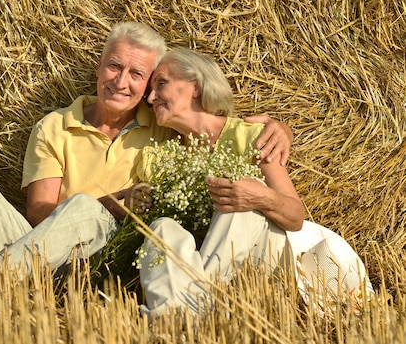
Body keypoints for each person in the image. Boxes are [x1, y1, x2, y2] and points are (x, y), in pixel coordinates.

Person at [0, 22, 293, 291]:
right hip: (43, 245)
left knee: (84, 208)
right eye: (114, 66)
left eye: (139, 75)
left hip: (103, 256)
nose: (121, 82)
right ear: (98, 68)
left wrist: (281, 128)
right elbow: (37, 212)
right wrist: (106, 203)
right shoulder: (54, 126)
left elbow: (211, 129)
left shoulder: (162, 130)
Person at [137, 47, 373, 318]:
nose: (152, 97)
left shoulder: (252, 135)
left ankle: (189, 310)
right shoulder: (159, 158)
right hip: (205, 258)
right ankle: (184, 319)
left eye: (161, 84)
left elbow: (295, 216)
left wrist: (260, 197)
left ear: (196, 87)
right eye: (149, 93)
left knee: (241, 204)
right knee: (161, 229)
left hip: (264, 259)